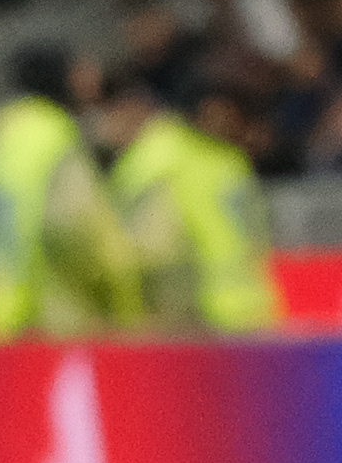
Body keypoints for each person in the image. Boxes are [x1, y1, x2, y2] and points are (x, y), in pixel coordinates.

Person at [91, 68, 282, 332]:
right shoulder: (173, 158)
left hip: (225, 321)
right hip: (220, 320)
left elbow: (254, 240)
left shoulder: (215, 159)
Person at [0, 44, 135, 338]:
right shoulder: (54, 134)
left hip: (6, 310)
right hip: (58, 316)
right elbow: (79, 225)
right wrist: (121, 289)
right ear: (59, 78)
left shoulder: (5, 131)